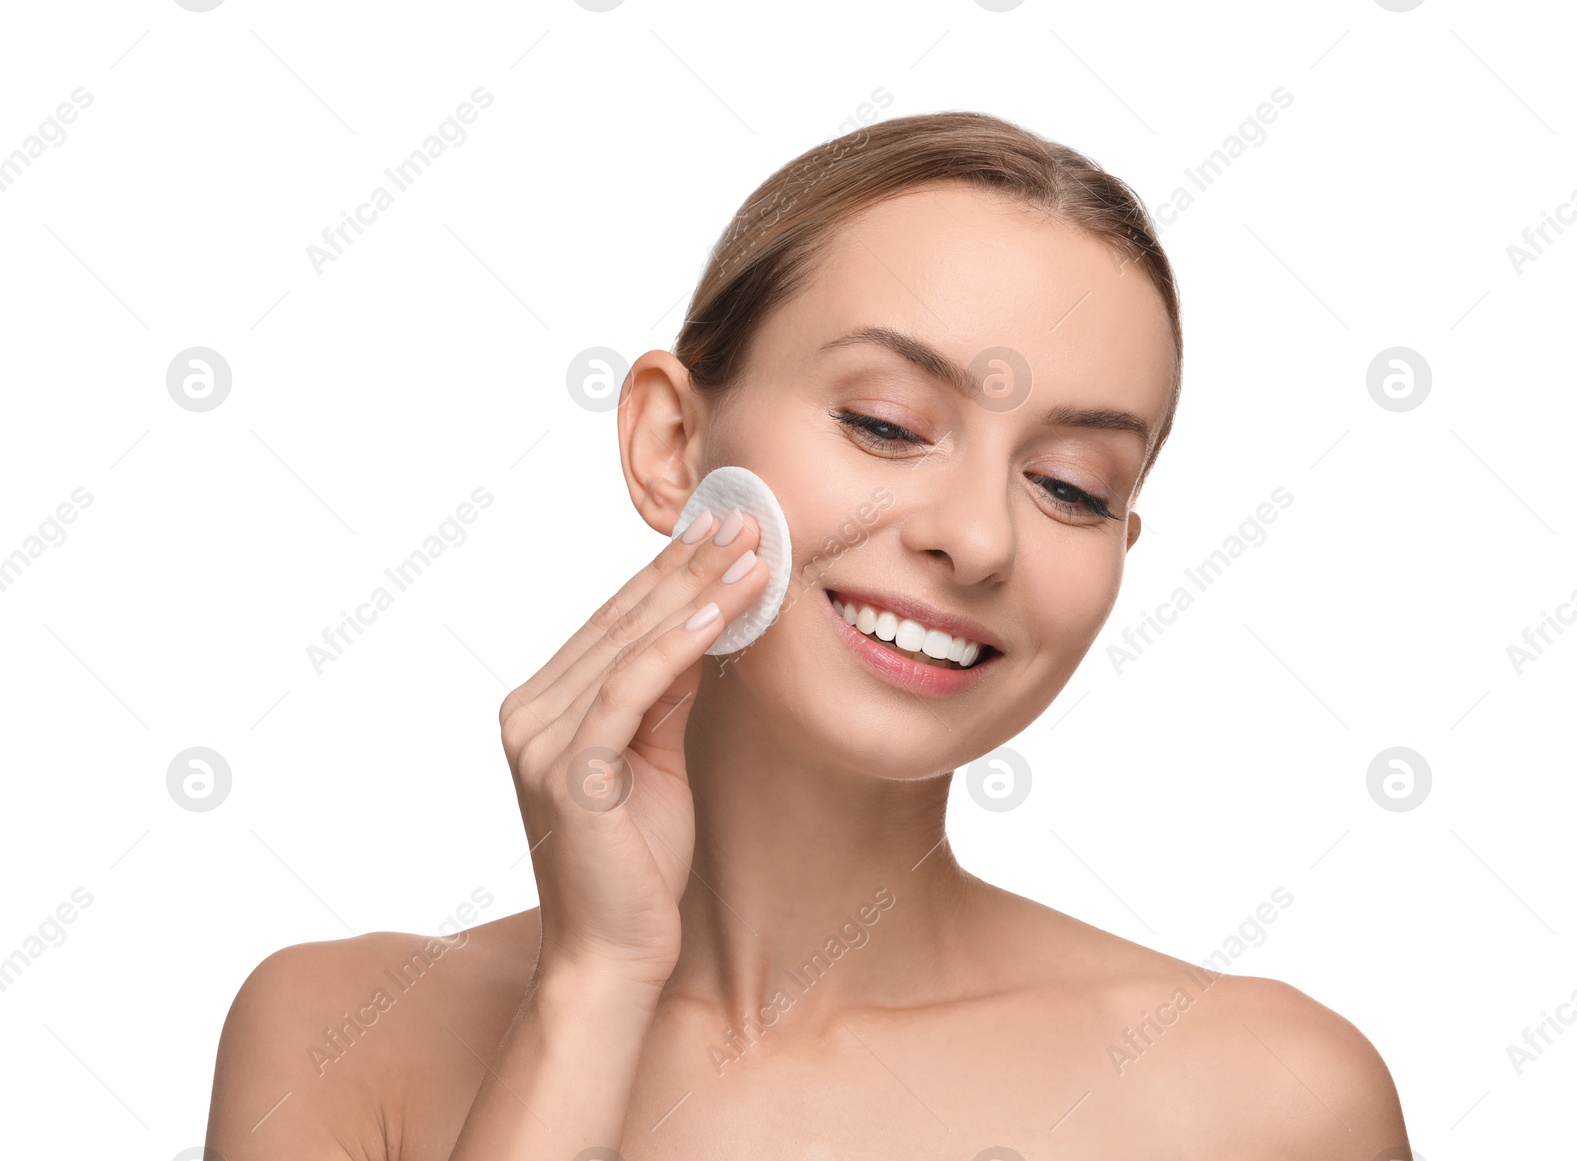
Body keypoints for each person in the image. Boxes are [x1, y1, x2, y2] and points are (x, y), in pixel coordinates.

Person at [205, 110, 1410, 1159]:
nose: (977, 538)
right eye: (886, 424)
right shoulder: (336, 1038)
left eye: (1072, 487)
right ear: (672, 446)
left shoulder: (1270, 1102)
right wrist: (591, 990)